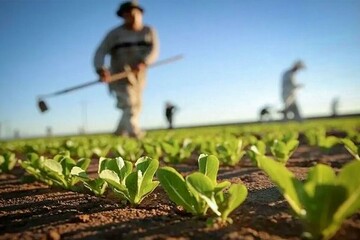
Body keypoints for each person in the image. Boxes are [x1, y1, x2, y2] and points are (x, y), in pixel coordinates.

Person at [94, 1, 159, 138]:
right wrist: (100, 69)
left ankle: (119, 133)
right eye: (128, 14)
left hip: (139, 77)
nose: (133, 16)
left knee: (136, 105)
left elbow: (154, 50)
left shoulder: (149, 31)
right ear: (123, 16)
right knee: (129, 104)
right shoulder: (114, 34)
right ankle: (134, 133)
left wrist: (144, 62)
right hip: (119, 76)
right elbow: (100, 52)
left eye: (135, 13)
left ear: (141, 14)